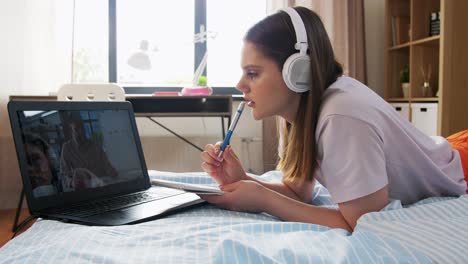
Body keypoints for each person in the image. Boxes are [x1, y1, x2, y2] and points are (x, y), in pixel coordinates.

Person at [199, 7, 467, 232]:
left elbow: (362, 222)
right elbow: (298, 192)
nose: (240, 84)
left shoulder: (342, 115)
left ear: (298, 72)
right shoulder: (298, 112)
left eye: (253, 73)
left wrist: (263, 199)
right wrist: (245, 179)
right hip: (448, 149)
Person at [59, 111, 117, 191]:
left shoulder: (95, 145)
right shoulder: (67, 148)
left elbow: (107, 165)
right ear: (71, 131)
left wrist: (111, 170)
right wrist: (71, 182)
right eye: (76, 129)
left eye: (82, 128)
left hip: (101, 186)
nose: (81, 132)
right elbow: (64, 174)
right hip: (83, 189)